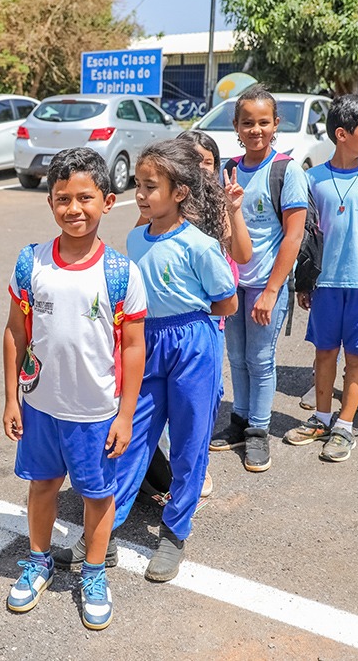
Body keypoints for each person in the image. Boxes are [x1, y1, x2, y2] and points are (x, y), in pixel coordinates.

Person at [62, 140, 236, 584]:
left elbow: (227, 303)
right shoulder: (136, 238)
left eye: (150, 186)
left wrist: (189, 328)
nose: (140, 194)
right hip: (146, 342)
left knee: (190, 440)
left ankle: (175, 531)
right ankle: (104, 532)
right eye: (138, 185)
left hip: (193, 342)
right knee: (129, 437)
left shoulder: (200, 245)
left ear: (179, 192)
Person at [2, 147, 147, 630]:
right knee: (43, 485)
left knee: (97, 495)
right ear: (50, 203)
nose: (74, 208)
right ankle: (38, 560)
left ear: (108, 201)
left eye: (85, 197)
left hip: (96, 412)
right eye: (63, 198)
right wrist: (11, 398)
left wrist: (125, 416)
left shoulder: (122, 272)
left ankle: (94, 572)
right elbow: (15, 332)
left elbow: (133, 347)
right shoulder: (31, 263)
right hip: (40, 406)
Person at [284, 95, 358, 463]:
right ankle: (321, 419)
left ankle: (345, 426)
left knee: (356, 357)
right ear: (342, 134)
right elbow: (305, 236)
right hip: (325, 283)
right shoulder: (312, 179)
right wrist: (303, 281)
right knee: (324, 353)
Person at [140, 129, 251, 499]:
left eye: (207, 162)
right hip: (163, 325)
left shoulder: (218, 208)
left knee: (199, 402)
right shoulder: (158, 211)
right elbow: (141, 251)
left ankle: (195, 468)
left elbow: (243, 255)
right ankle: (171, 468)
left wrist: (234, 210)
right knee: (164, 402)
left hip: (206, 322)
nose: (201, 168)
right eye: (192, 160)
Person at [208, 86, 309, 474]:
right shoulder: (228, 169)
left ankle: (259, 431)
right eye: (247, 122)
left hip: (267, 284)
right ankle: (240, 419)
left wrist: (271, 290)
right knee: (236, 356)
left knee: (261, 359)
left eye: (263, 122)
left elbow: (293, 236)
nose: (255, 130)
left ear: (276, 124)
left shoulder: (287, 171)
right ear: (236, 126)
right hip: (233, 284)